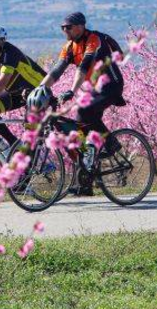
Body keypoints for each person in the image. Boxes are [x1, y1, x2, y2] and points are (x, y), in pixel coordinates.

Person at [34, 12, 126, 195]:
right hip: (95, 88)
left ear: (80, 26)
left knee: (84, 110)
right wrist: (39, 89)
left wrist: (72, 91)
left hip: (111, 86)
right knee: (80, 130)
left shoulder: (94, 40)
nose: (65, 31)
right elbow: (56, 71)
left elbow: (84, 67)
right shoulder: (69, 47)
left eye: (68, 27)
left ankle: (112, 143)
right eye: (63, 28)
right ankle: (85, 184)